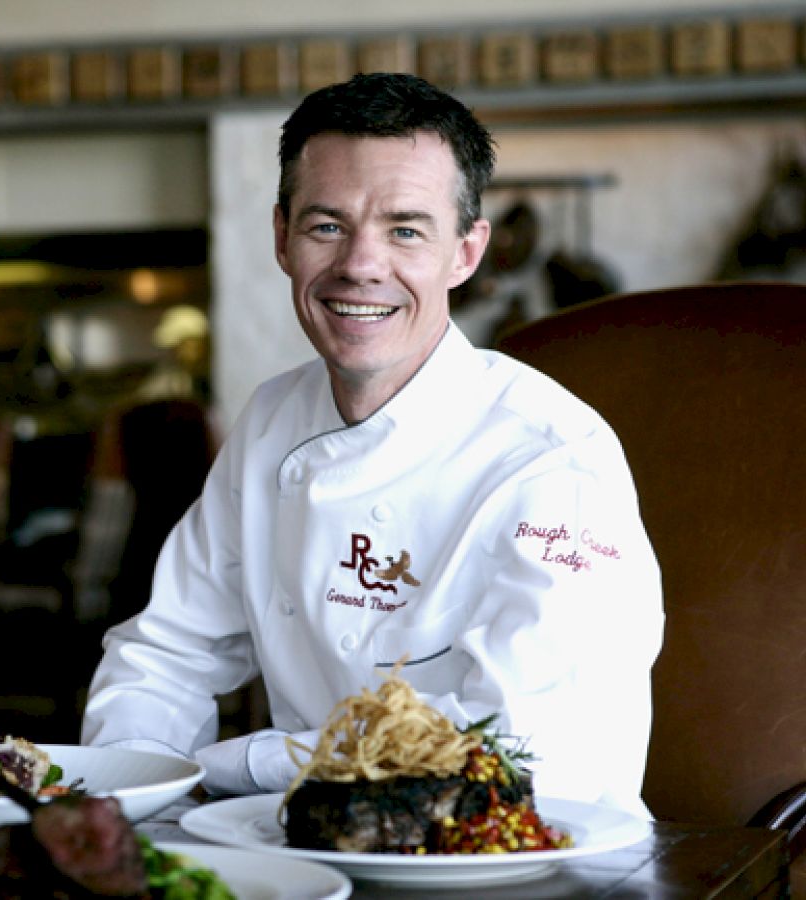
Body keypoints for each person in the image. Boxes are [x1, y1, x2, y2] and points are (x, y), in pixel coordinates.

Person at [80, 73, 664, 817]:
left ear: (466, 252)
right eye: (327, 225)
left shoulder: (550, 458)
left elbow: (525, 754)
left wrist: (241, 764)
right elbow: (164, 653)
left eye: (405, 229)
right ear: (281, 239)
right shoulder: (271, 423)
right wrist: (129, 812)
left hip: (527, 867)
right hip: (314, 853)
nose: (360, 264)